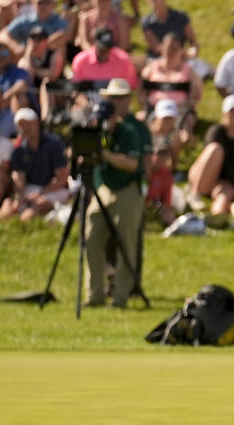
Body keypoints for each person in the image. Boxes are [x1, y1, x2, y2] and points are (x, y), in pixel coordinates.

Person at [83, 78, 149, 308]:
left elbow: (134, 164)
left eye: (121, 98)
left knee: (126, 243)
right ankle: (94, 295)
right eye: (112, 98)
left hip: (128, 187)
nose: (117, 102)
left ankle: (121, 297)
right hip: (104, 187)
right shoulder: (97, 128)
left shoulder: (132, 129)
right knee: (91, 239)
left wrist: (104, 154)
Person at [187, 94, 234, 221]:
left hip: (226, 182)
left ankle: (218, 219)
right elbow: (225, 163)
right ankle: (194, 194)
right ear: (224, 114)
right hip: (204, 177)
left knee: (224, 195)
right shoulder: (216, 132)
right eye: (231, 112)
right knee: (215, 149)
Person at [0, 106, 69, 220]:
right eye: (21, 125)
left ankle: (20, 224)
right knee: (9, 204)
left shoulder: (54, 144)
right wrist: (20, 196)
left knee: (38, 206)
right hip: (32, 189)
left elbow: (62, 178)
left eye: (28, 123)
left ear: (37, 123)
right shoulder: (19, 151)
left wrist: (40, 193)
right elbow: (19, 178)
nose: (25, 128)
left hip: (55, 189)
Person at [139, 32, 201, 145]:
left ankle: (176, 143)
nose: (170, 51)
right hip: (154, 109)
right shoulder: (152, 67)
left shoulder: (189, 71)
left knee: (185, 124)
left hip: (180, 111)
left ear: (182, 50)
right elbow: (141, 90)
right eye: (168, 47)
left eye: (174, 48)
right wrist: (145, 106)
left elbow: (196, 94)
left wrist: (187, 106)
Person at [0, 0, 67, 64]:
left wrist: (41, 45)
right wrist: (16, 46)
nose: (44, 6)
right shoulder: (25, 20)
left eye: (47, 2)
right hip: (27, 58)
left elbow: (65, 35)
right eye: (40, 3)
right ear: (33, 4)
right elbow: (2, 35)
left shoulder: (59, 21)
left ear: (53, 4)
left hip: (49, 62)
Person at [70, 26, 138, 91]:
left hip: (116, 101)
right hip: (88, 100)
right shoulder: (81, 60)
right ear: (94, 43)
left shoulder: (124, 59)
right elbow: (76, 88)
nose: (106, 52)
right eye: (102, 49)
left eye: (108, 48)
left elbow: (131, 87)